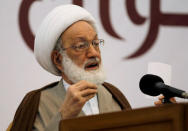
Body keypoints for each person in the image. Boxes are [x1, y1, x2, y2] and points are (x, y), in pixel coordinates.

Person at [9, 4, 131, 131]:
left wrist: (153, 117)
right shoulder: (37, 103)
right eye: (80, 46)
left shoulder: (113, 95)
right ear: (58, 59)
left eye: (95, 43)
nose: (94, 53)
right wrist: (63, 116)